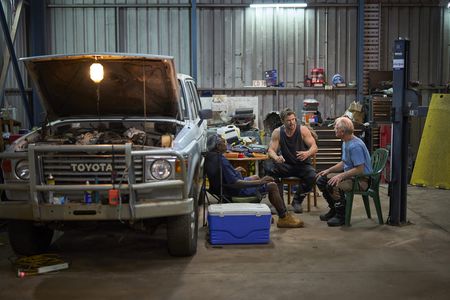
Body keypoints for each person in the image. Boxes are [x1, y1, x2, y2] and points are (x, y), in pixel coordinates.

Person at [207, 134, 303, 228]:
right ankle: (283, 218)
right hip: (234, 190)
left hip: (225, 187)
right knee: (272, 185)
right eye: (224, 142)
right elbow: (236, 183)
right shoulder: (221, 160)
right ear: (218, 146)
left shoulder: (211, 157)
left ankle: (260, 214)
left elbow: (221, 175)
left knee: (255, 176)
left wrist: (234, 171)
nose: (226, 143)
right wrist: (261, 182)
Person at [315, 116, 372, 226]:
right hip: (351, 176)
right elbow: (344, 162)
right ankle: (334, 210)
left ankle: (341, 215)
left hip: (361, 180)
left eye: (336, 128)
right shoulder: (346, 141)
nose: (334, 130)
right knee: (321, 180)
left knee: (333, 184)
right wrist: (328, 170)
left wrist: (340, 176)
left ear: (342, 131)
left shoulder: (355, 146)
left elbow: (359, 169)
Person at [267, 108, 318, 213]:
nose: (292, 123)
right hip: (287, 165)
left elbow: (314, 147)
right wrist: (276, 157)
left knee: (312, 176)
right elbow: (271, 150)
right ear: (283, 121)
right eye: (289, 120)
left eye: (293, 119)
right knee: (271, 169)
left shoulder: (303, 130)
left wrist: (307, 153)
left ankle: (297, 201)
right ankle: (278, 203)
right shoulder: (277, 132)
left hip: (302, 165)